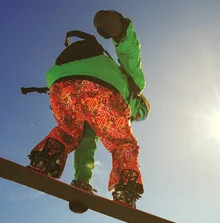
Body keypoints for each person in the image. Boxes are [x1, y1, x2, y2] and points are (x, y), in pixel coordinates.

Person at [27, 10, 150, 208]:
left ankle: (45, 159)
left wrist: (81, 184)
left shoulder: (98, 116)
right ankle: (125, 190)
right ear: (139, 104)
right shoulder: (135, 87)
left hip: (61, 83)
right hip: (102, 88)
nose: (135, 117)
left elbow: (87, 143)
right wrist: (122, 31)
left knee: (70, 131)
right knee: (123, 145)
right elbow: (131, 56)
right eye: (139, 114)